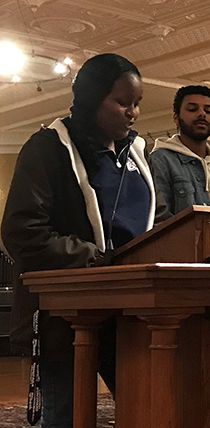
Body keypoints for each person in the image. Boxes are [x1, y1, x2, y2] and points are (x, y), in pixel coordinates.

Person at [1, 53, 167, 428]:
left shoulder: (139, 155)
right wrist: (97, 259)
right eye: (122, 102)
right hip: (65, 315)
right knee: (66, 417)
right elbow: (21, 232)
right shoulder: (47, 149)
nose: (133, 113)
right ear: (92, 99)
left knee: (145, 409)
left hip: (129, 312)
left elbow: (149, 226)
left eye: (137, 103)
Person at [150, 85, 210, 215]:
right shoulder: (159, 161)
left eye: (208, 111)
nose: (202, 114)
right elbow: (160, 219)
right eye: (192, 109)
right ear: (176, 118)